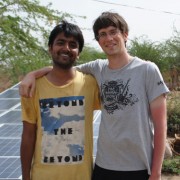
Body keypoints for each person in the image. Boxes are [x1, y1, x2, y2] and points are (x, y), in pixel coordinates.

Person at [19, 12, 169, 180]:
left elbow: (161, 125)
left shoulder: (147, 70)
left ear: (125, 34)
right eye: (102, 34)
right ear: (98, 41)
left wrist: (156, 172)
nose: (108, 38)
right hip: (103, 167)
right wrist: (31, 75)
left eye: (113, 32)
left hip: (139, 166)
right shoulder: (97, 68)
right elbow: (63, 67)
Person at [20, 20, 100, 180]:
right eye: (60, 43)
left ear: (79, 53)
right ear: (50, 48)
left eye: (73, 45)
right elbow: (28, 136)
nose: (66, 48)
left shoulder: (91, 83)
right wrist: (25, 177)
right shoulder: (32, 87)